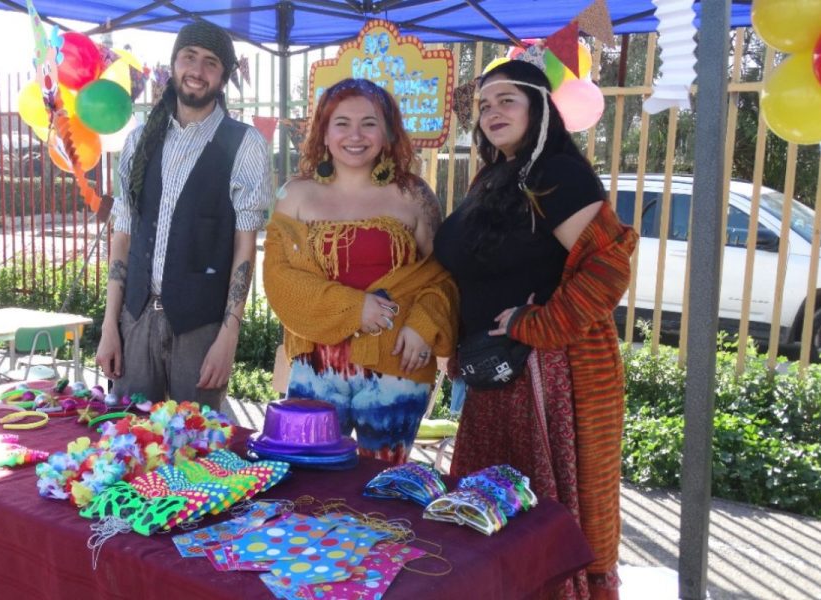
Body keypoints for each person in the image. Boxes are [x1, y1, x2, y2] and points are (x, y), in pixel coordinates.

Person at [433, 59, 638, 599]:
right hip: (497, 376)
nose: (491, 112)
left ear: (539, 108)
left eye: (506, 100)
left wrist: (539, 324)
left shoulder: (556, 175)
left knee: (537, 515)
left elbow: (610, 264)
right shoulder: (496, 176)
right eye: (483, 104)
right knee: (493, 510)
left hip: (548, 376)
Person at [263, 78, 458, 464]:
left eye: (369, 123)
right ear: (323, 130)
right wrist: (354, 308)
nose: (356, 135)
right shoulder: (294, 193)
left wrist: (424, 324)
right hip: (315, 366)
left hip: (396, 368)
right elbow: (278, 276)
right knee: (308, 478)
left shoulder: (415, 195)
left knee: (380, 487)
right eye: (342, 123)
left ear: (387, 133)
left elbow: (445, 275)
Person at [96, 21, 272, 413]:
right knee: (126, 442)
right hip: (136, 318)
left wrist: (228, 339)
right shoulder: (140, 140)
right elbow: (122, 235)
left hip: (201, 328)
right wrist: (111, 325)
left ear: (223, 77)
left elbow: (245, 248)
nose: (197, 70)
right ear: (174, 64)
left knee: (199, 451)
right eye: (189, 57)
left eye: (211, 63)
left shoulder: (243, 144)